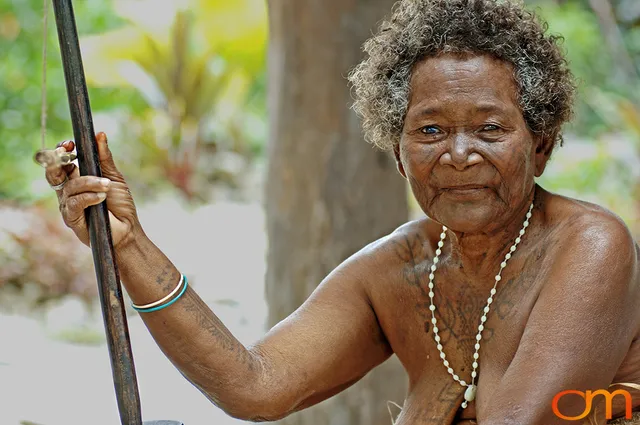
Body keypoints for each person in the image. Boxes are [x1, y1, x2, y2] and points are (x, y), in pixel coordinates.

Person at [43, 0, 640, 424]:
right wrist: (128, 246)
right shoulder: (402, 267)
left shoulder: (588, 245)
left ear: (539, 144)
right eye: (429, 130)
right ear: (400, 155)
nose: (459, 155)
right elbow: (256, 387)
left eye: (489, 129)